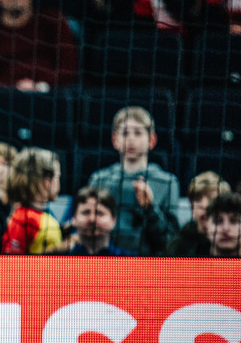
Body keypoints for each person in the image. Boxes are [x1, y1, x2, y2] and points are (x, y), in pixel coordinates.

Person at [86, 106, 180, 255]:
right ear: (115, 140)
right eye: (124, 133)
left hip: (148, 263)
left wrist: (150, 208)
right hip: (105, 260)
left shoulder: (167, 182)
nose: (130, 139)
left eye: (137, 133)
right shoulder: (99, 179)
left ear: (152, 140)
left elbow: (170, 240)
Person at [2, 146, 62, 254]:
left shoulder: (37, 215)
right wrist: (61, 249)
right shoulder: (24, 218)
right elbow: (12, 260)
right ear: (47, 181)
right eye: (58, 177)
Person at [168, 171, 232, 256]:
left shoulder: (233, 243)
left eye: (211, 199)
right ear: (191, 205)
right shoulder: (178, 244)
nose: (204, 205)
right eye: (198, 199)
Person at [63, 186, 136, 255]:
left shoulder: (132, 261)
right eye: (86, 212)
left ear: (113, 220)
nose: (92, 219)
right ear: (74, 219)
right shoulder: (61, 261)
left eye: (99, 213)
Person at [202, 191, 241, 257]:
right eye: (218, 221)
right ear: (206, 226)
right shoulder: (187, 264)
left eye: (234, 221)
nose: (226, 228)